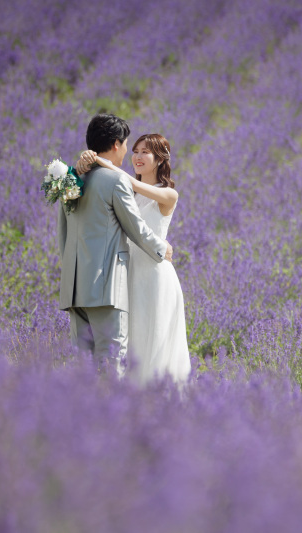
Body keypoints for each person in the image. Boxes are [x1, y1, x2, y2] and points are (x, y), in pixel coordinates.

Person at [59, 114, 172, 377]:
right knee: (111, 361)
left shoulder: (71, 179)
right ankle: (109, 417)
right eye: (127, 146)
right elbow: (135, 227)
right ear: (115, 145)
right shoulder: (115, 181)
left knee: (83, 367)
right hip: (107, 287)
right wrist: (161, 248)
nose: (127, 153)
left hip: (74, 288)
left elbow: (62, 235)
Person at [75, 133, 190, 386]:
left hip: (155, 275)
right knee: (132, 337)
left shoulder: (169, 194)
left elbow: (135, 185)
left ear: (160, 159)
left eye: (145, 152)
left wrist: (106, 164)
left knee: (155, 337)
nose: (137, 157)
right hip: (127, 272)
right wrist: (89, 161)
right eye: (135, 150)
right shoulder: (125, 190)